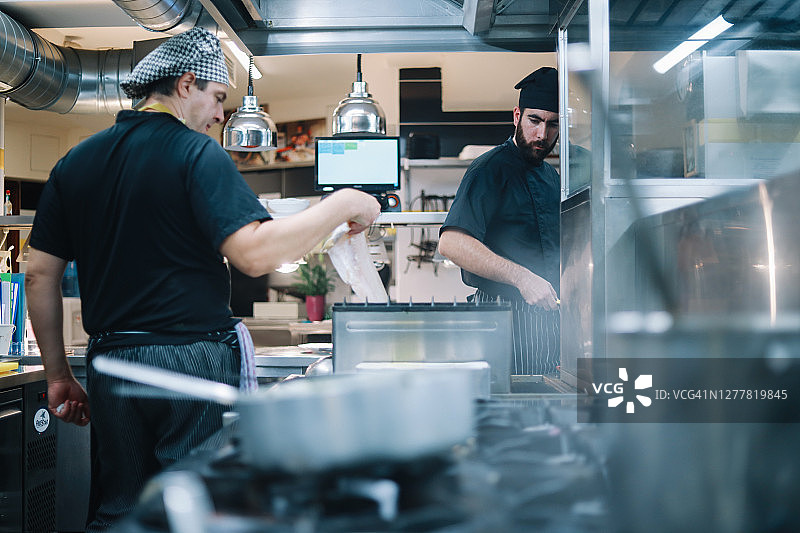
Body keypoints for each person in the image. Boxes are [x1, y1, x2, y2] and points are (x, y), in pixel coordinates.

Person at [25, 27, 380, 532]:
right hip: (189, 358)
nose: (219, 116)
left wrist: (59, 375)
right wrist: (342, 202)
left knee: (123, 507)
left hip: (112, 360)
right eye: (217, 99)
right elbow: (254, 255)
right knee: (194, 509)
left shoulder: (75, 162)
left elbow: (39, 272)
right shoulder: (195, 153)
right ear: (186, 85)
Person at [438, 66, 560, 376]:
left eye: (553, 124)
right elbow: (451, 243)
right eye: (534, 121)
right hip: (501, 315)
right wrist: (523, 278)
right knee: (508, 413)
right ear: (517, 115)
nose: (542, 135)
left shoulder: (552, 177)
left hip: (547, 320)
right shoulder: (488, 169)